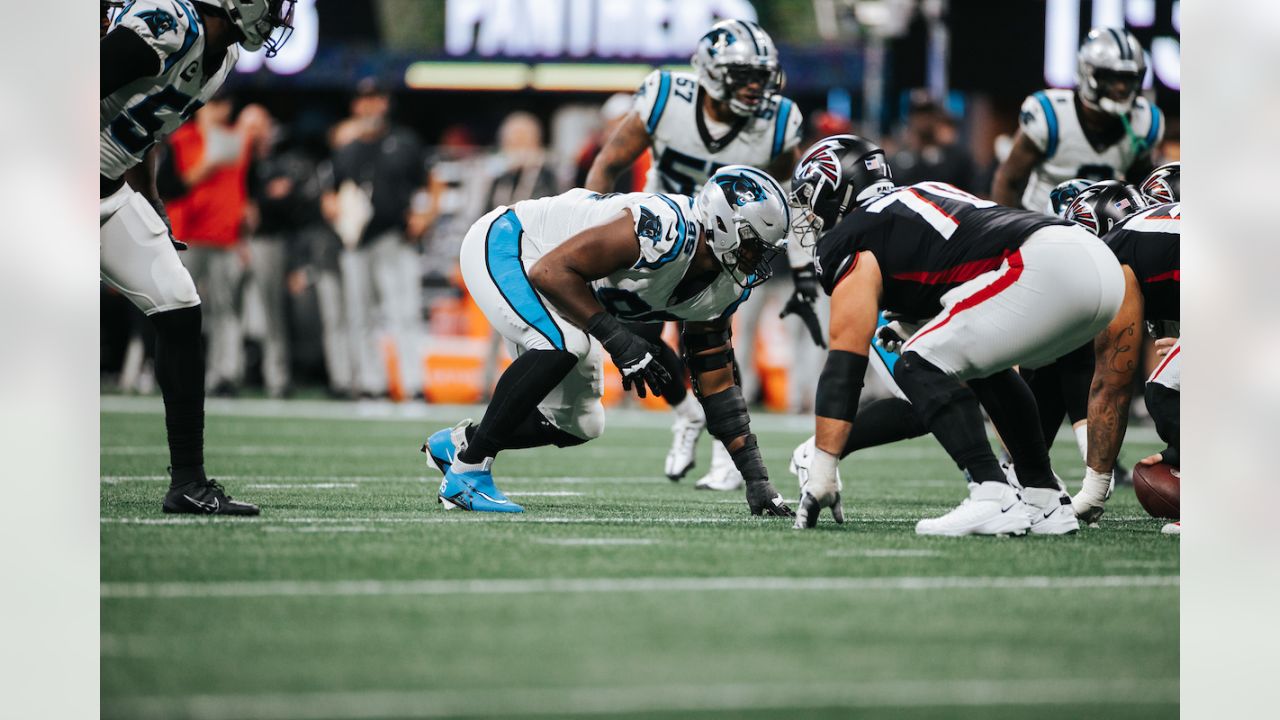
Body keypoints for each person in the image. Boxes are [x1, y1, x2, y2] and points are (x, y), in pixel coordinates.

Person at [788, 135, 1124, 536]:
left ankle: (991, 493)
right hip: (1092, 262)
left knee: (917, 360)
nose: (809, 212)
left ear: (836, 187)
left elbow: (847, 357)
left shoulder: (853, 235)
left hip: (1041, 266)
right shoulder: (925, 193)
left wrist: (823, 465)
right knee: (982, 365)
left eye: (810, 196)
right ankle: (1043, 498)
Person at [421, 166, 795, 518]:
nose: (758, 259)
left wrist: (756, 478)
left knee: (580, 423)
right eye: (753, 245)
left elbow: (718, 385)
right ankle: (469, 472)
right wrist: (619, 342)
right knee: (566, 343)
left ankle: (461, 443)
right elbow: (550, 271)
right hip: (512, 243)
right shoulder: (665, 230)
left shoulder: (725, 286)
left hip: (561, 280)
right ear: (723, 225)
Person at [584, 19, 816, 490]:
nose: (756, 87)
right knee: (639, 336)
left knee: (713, 344)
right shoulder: (667, 97)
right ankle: (687, 414)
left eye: (761, 75)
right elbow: (608, 164)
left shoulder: (777, 122)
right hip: (661, 235)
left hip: (727, 247)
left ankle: (725, 455)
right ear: (711, 73)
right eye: (743, 75)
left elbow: (791, 199)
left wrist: (804, 272)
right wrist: (586, 225)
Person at [100, 0, 295, 515]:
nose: (279, 13)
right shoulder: (169, 21)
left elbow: (152, 125)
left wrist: (149, 194)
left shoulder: (222, 55)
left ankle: (187, 482)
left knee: (180, 305)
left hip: (109, 191)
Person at [991, 27, 1164, 479]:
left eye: (1129, 79)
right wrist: (1003, 240)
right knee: (1050, 350)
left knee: (1090, 348)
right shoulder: (1051, 114)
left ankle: (1046, 457)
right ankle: (1051, 455)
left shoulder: (1144, 122)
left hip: (1104, 241)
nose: (1122, 89)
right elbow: (1009, 178)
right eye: (1113, 78)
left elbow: (1152, 188)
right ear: (1089, 75)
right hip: (1041, 235)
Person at [1062, 179, 1180, 531]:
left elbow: (1112, 383)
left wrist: (1093, 491)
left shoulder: (1118, 252)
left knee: (1165, 390)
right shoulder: (1154, 235)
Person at [328, 78, 430, 399]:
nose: (370, 105)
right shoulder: (346, 151)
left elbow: (430, 184)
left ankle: (413, 384)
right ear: (355, 106)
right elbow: (330, 194)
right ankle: (374, 384)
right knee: (361, 315)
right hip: (357, 243)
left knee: (405, 312)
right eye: (364, 99)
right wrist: (337, 214)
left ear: (385, 103)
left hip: (395, 238)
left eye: (376, 98)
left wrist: (424, 215)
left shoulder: (404, 142)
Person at [165, 94, 256, 395]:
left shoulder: (236, 142)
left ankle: (225, 374)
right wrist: (206, 166)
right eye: (215, 104)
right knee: (181, 308)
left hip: (224, 238)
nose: (221, 110)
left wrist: (243, 237)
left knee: (226, 309)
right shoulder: (182, 138)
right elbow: (169, 186)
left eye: (225, 104)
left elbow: (240, 191)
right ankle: (177, 370)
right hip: (188, 235)